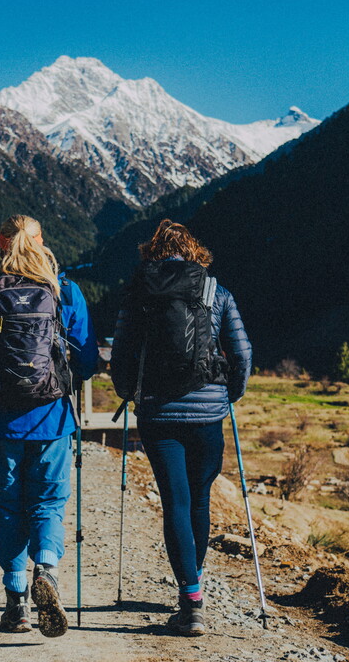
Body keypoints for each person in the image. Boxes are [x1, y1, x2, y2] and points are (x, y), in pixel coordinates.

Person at [0, 215, 98, 637]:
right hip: (52, 420)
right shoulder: (65, 291)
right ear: (41, 242)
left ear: (2, 244)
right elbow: (86, 361)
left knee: (8, 510)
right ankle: (47, 572)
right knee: (48, 504)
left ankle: (16, 604)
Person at [110, 219, 251, 636]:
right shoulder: (216, 291)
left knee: (174, 502)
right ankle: (193, 584)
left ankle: (191, 603)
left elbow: (120, 353)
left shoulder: (139, 293)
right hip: (209, 413)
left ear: (152, 251)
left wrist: (128, 393)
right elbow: (241, 352)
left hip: (158, 414)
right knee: (199, 500)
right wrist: (231, 394)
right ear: (193, 251)